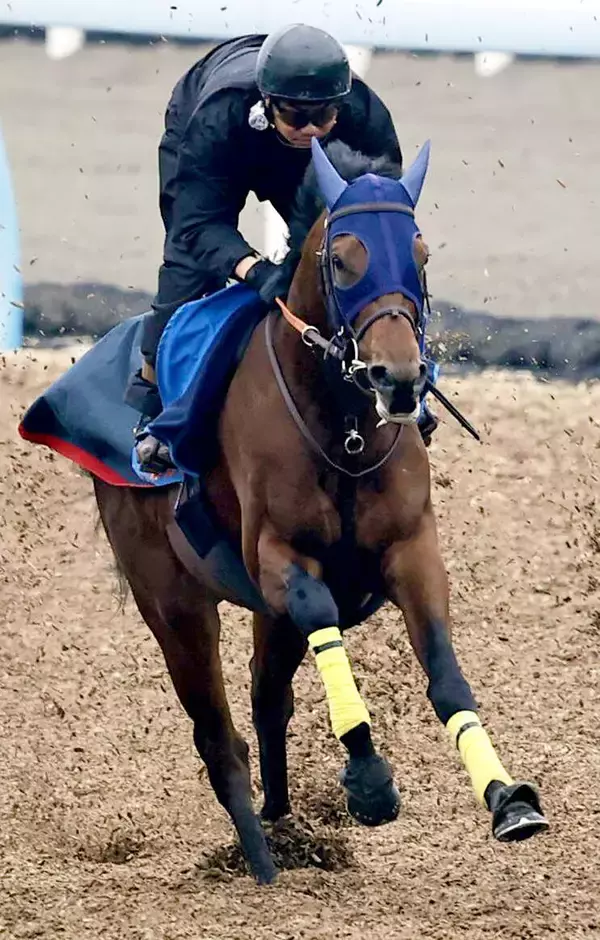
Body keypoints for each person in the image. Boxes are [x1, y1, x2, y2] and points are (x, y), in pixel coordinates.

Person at [127, 23, 438, 473]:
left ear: (341, 106)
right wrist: (254, 270)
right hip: (218, 141)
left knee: (365, 265)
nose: (310, 130)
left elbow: (381, 229)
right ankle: (154, 407)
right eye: (295, 117)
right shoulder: (220, 117)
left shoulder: (365, 119)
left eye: (324, 117)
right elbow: (198, 225)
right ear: (268, 104)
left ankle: (407, 387)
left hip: (312, 169)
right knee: (188, 270)